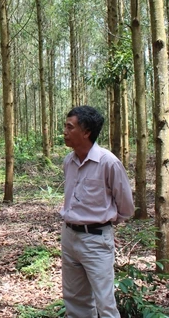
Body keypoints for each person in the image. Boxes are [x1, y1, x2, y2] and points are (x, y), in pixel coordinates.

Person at [60, 105, 135, 318]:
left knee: (105, 303)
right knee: (75, 301)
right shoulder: (69, 161)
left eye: (70, 127)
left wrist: (102, 225)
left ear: (86, 132)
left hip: (96, 240)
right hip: (69, 236)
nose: (64, 131)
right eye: (65, 126)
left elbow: (126, 206)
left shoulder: (108, 162)